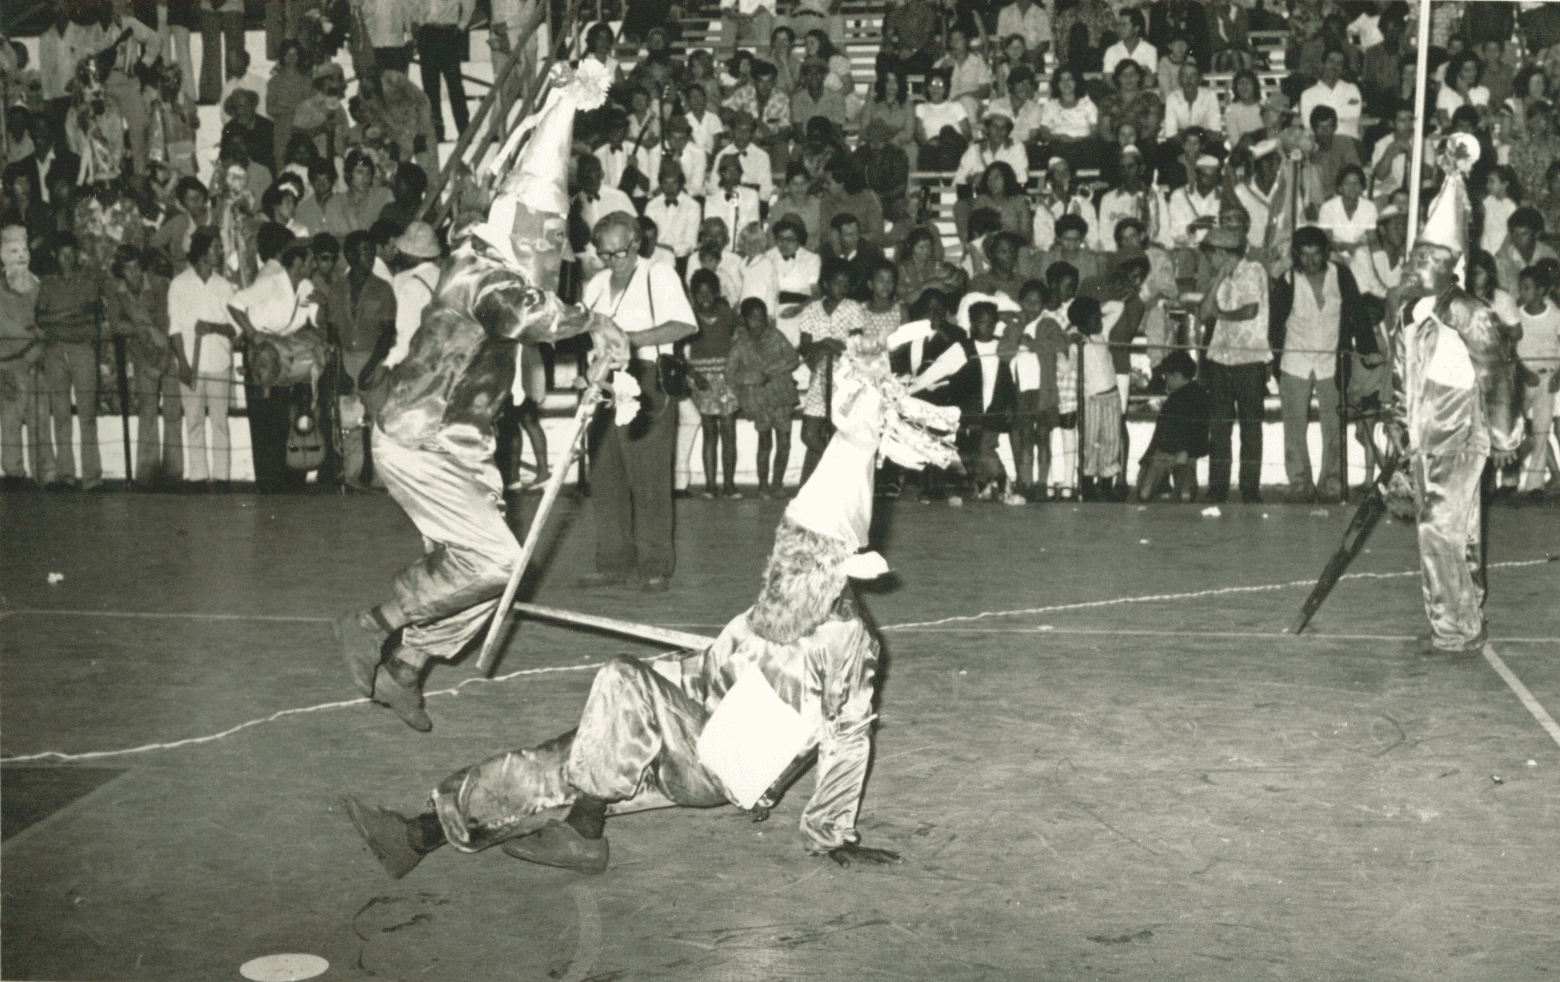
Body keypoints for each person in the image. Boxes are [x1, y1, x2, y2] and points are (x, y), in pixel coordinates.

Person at [342, 346, 950, 878]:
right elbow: (714, 670)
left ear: (839, 573)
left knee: (621, 681)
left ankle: (585, 832)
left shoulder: (848, 642)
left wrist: (829, 835)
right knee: (557, 766)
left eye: (801, 561)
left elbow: (848, 740)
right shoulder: (779, 605)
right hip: (689, 730)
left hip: (727, 764)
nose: (785, 567)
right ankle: (418, 835)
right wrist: (672, 680)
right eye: (787, 554)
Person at [1381, 135, 1522, 656]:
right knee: (1457, 532)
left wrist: (1506, 434)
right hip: (1425, 435)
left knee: (1438, 530)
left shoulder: (1470, 313)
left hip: (1463, 430)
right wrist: (1397, 438)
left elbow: (1498, 374)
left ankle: (1454, 627)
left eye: (1425, 258)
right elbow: (1401, 382)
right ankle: (1464, 612)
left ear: (1449, 265)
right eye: (1413, 256)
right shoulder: (1408, 314)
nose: (1413, 265)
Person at [581, 212, 697, 592]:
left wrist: (630, 340)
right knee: (603, 471)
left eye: (621, 252)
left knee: (647, 475)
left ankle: (654, 564)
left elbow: (684, 324)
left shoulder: (658, 274)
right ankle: (613, 561)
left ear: (637, 245)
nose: (614, 261)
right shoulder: (596, 283)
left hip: (644, 378)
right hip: (602, 381)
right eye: (605, 255)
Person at [1268, 225, 1378, 504]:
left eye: (1316, 254)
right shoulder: (1287, 280)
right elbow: (1274, 324)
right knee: (1294, 427)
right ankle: (1299, 483)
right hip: (1295, 360)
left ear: (1325, 254)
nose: (1310, 261)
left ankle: (1331, 482)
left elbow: (1356, 312)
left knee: (1334, 425)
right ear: (1295, 255)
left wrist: (1368, 349)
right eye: (1303, 255)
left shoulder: (1340, 275)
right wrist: (1272, 361)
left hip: (1332, 361)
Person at [227, 228, 317, 493]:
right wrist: (253, 336)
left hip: (288, 355)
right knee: (267, 420)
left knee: (289, 418)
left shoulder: (306, 286)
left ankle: (291, 479)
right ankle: (269, 483)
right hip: (263, 356)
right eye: (309, 260)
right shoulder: (271, 279)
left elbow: (314, 318)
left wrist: (321, 305)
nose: (313, 265)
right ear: (298, 262)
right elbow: (235, 303)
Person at [1197, 226, 1268, 503]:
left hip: (1249, 358)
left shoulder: (1253, 270)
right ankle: (1218, 487)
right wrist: (1217, 281)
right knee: (1220, 426)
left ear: (1224, 253)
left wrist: (1221, 314)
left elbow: (1250, 310)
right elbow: (1204, 314)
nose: (1209, 261)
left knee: (1251, 426)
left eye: (1211, 255)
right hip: (1220, 359)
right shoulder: (1221, 276)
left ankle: (1250, 488)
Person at [322, 230, 397, 491]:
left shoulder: (383, 288)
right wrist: (339, 365)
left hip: (375, 359)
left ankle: (381, 478)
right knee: (349, 421)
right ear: (350, 255)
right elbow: (331, 330)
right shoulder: (337, 289)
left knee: (380, 421)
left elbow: (388, 332)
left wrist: (373, 365)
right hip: (346, 358)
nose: (370, 257)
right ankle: (352, 477)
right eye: (364, 252)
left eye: (372, 251)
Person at [34, 232, 108, 491]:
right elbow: (40, 320)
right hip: (55, 353)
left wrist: (57, 317)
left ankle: (92, 477)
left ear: (77, 255)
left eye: (71, 254)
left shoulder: (88, 281)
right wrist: (69, 314)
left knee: (87, 414)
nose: (66, 259)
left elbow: (90, 318)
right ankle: (66, 475)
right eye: (62, 254)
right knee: (61, 415)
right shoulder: (48, 283)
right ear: (55, 255)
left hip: (82, 351)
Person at [167, 227, 236, 491]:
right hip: (191, 366)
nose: (220, 251)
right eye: (217, 246)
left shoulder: (224, 286)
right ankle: (197, 476)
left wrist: (214, 328)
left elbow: (234, 330)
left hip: (219, 363)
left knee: (220, 421)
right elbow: (174, 329)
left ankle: (221, 478)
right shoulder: (179, 284)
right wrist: (183, 364)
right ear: (204, 251)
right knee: (193, 420)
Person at [108, 245, 181, 488]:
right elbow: (116, 325)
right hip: (141, 358)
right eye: (128, 270)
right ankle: (147, 475)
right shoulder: (117, 291)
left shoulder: (160, 284)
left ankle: (173, 474)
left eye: (137, 267)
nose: (134, 274)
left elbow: (167, 326)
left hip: (168, 357)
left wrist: (160, 363)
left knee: (172, 413)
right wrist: (143, 329)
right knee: (147, 412)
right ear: (121, 272)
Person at [796, 259, 864, 481]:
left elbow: (855, 346)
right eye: (837, 282)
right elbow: (805, 346)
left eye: (847, 284)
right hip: (819, 377)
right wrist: (826, 343)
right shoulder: (811, 310)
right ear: (825, 284)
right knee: (809, 434)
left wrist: (830, 345)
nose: (842, 288)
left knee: (838, 432)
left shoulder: (853, 308)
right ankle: (833, 467)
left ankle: (824, 485)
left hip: (845, 378)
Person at [727, 295, 799, 496]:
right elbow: (730, 374)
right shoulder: (740, 344)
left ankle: (777, 484)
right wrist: (753, 377)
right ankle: (763, 485)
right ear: (744, 320)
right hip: (758, 401)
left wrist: (772, 371)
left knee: (784, 443)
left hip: (782, 397)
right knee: (764, 443)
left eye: (761, 317)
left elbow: (793, 358)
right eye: (752, 318)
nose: (757, 322)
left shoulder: (776, 335)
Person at [686, 270, 742, 497]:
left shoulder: (726, 313)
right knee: (710, 432)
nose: (705, 297)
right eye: (700, 293)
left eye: (709, 292)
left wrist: (734, 370)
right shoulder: (688, 317)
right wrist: (693, 374)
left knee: (729, 430)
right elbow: (679, 351)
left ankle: (728, 484)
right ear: (693, 295)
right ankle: (710, 485)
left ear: (717, 293)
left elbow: (737, 340)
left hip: (727, 378)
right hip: (702, 380)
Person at [1133, 349, 1208, 501]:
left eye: (1166, 375)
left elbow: (1201, 433)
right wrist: (1148, 458)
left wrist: (1187, 451)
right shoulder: (1175, 399)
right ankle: (1165, 483)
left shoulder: (1197, 398)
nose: (1164, 379)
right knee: (1145, 493)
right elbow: (1159, 435)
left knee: (1183, 495)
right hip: (1167, 454)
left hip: (1184, 455)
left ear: (1177, 375)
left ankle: (1171, 482)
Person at [0, 225, 43, 489]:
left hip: (35, 360)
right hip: (7, 363)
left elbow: (44, 322)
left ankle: (42, 473)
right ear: (3, 255)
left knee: (38, 417)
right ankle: (14, 472)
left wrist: (36, 347)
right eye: (13, 250)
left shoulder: (37, 284)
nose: (20, 256)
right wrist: (31, 337)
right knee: (12, 419)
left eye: (24, 249)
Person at [1514, 265, 1559, 494]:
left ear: (1541, 290)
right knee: (1516, 428)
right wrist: (1523, 373)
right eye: (1520, 287)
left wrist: (1557, 376)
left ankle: (1535, 485)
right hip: (1524, 377)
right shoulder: (1516, 315)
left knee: (1542, 431)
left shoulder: (1555, 315)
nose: (1522, 292)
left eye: (1527, 288)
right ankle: (1508, 479)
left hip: (1547, 378)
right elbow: (1511, 350)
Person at [412, 0, 472, 144]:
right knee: (430, 87)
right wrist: (416, 25)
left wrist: (462, 25)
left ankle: (465, 131)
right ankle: (436, 133)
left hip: (449, 33)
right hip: (427, 34)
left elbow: (469, 4)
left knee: (455, 85)